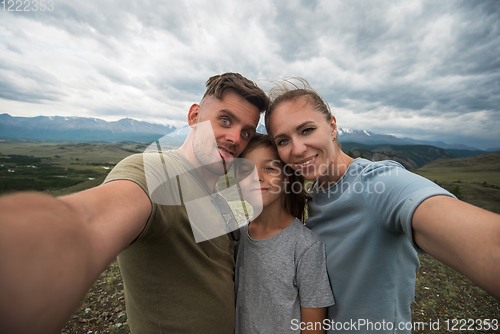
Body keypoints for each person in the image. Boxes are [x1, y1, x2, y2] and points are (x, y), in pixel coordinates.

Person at [0, 73, 269, 334]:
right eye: (224, 120)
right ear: (194, 116)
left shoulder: (218, 188)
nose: (235, 138)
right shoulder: (155, 172)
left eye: (246, 132)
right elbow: (85, 221)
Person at [264, 80, 500, 333]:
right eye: (283, 140)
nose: (297, 149)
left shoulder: (377, 183)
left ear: (332, 126)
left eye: (307, 130)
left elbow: (481, 240)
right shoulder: (313, 196)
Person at [233, 133, 334, 334]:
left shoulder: (305, 247)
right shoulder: (238, 237)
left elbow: (313, 328)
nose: (257, 177)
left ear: (286, 177)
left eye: (269, 168)